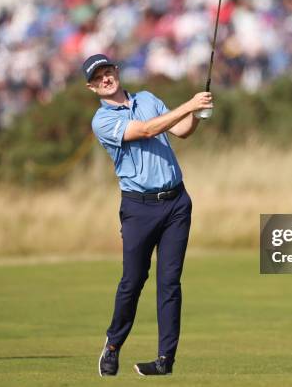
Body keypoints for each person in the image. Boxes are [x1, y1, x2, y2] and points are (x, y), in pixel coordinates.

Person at [85, 54, 213, 377]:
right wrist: (188, 104)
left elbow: (181, 130)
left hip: (176, 203)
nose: (105, 79)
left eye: (108, 71)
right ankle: (113, 344)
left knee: (170, 283)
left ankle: (164, 361)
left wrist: (197, 114)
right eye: (98, 77)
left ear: (116, 71)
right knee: (133, 280)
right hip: (139, 208)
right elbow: (144, 131)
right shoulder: (102, 120)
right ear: (92, 87)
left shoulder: (147, 99)